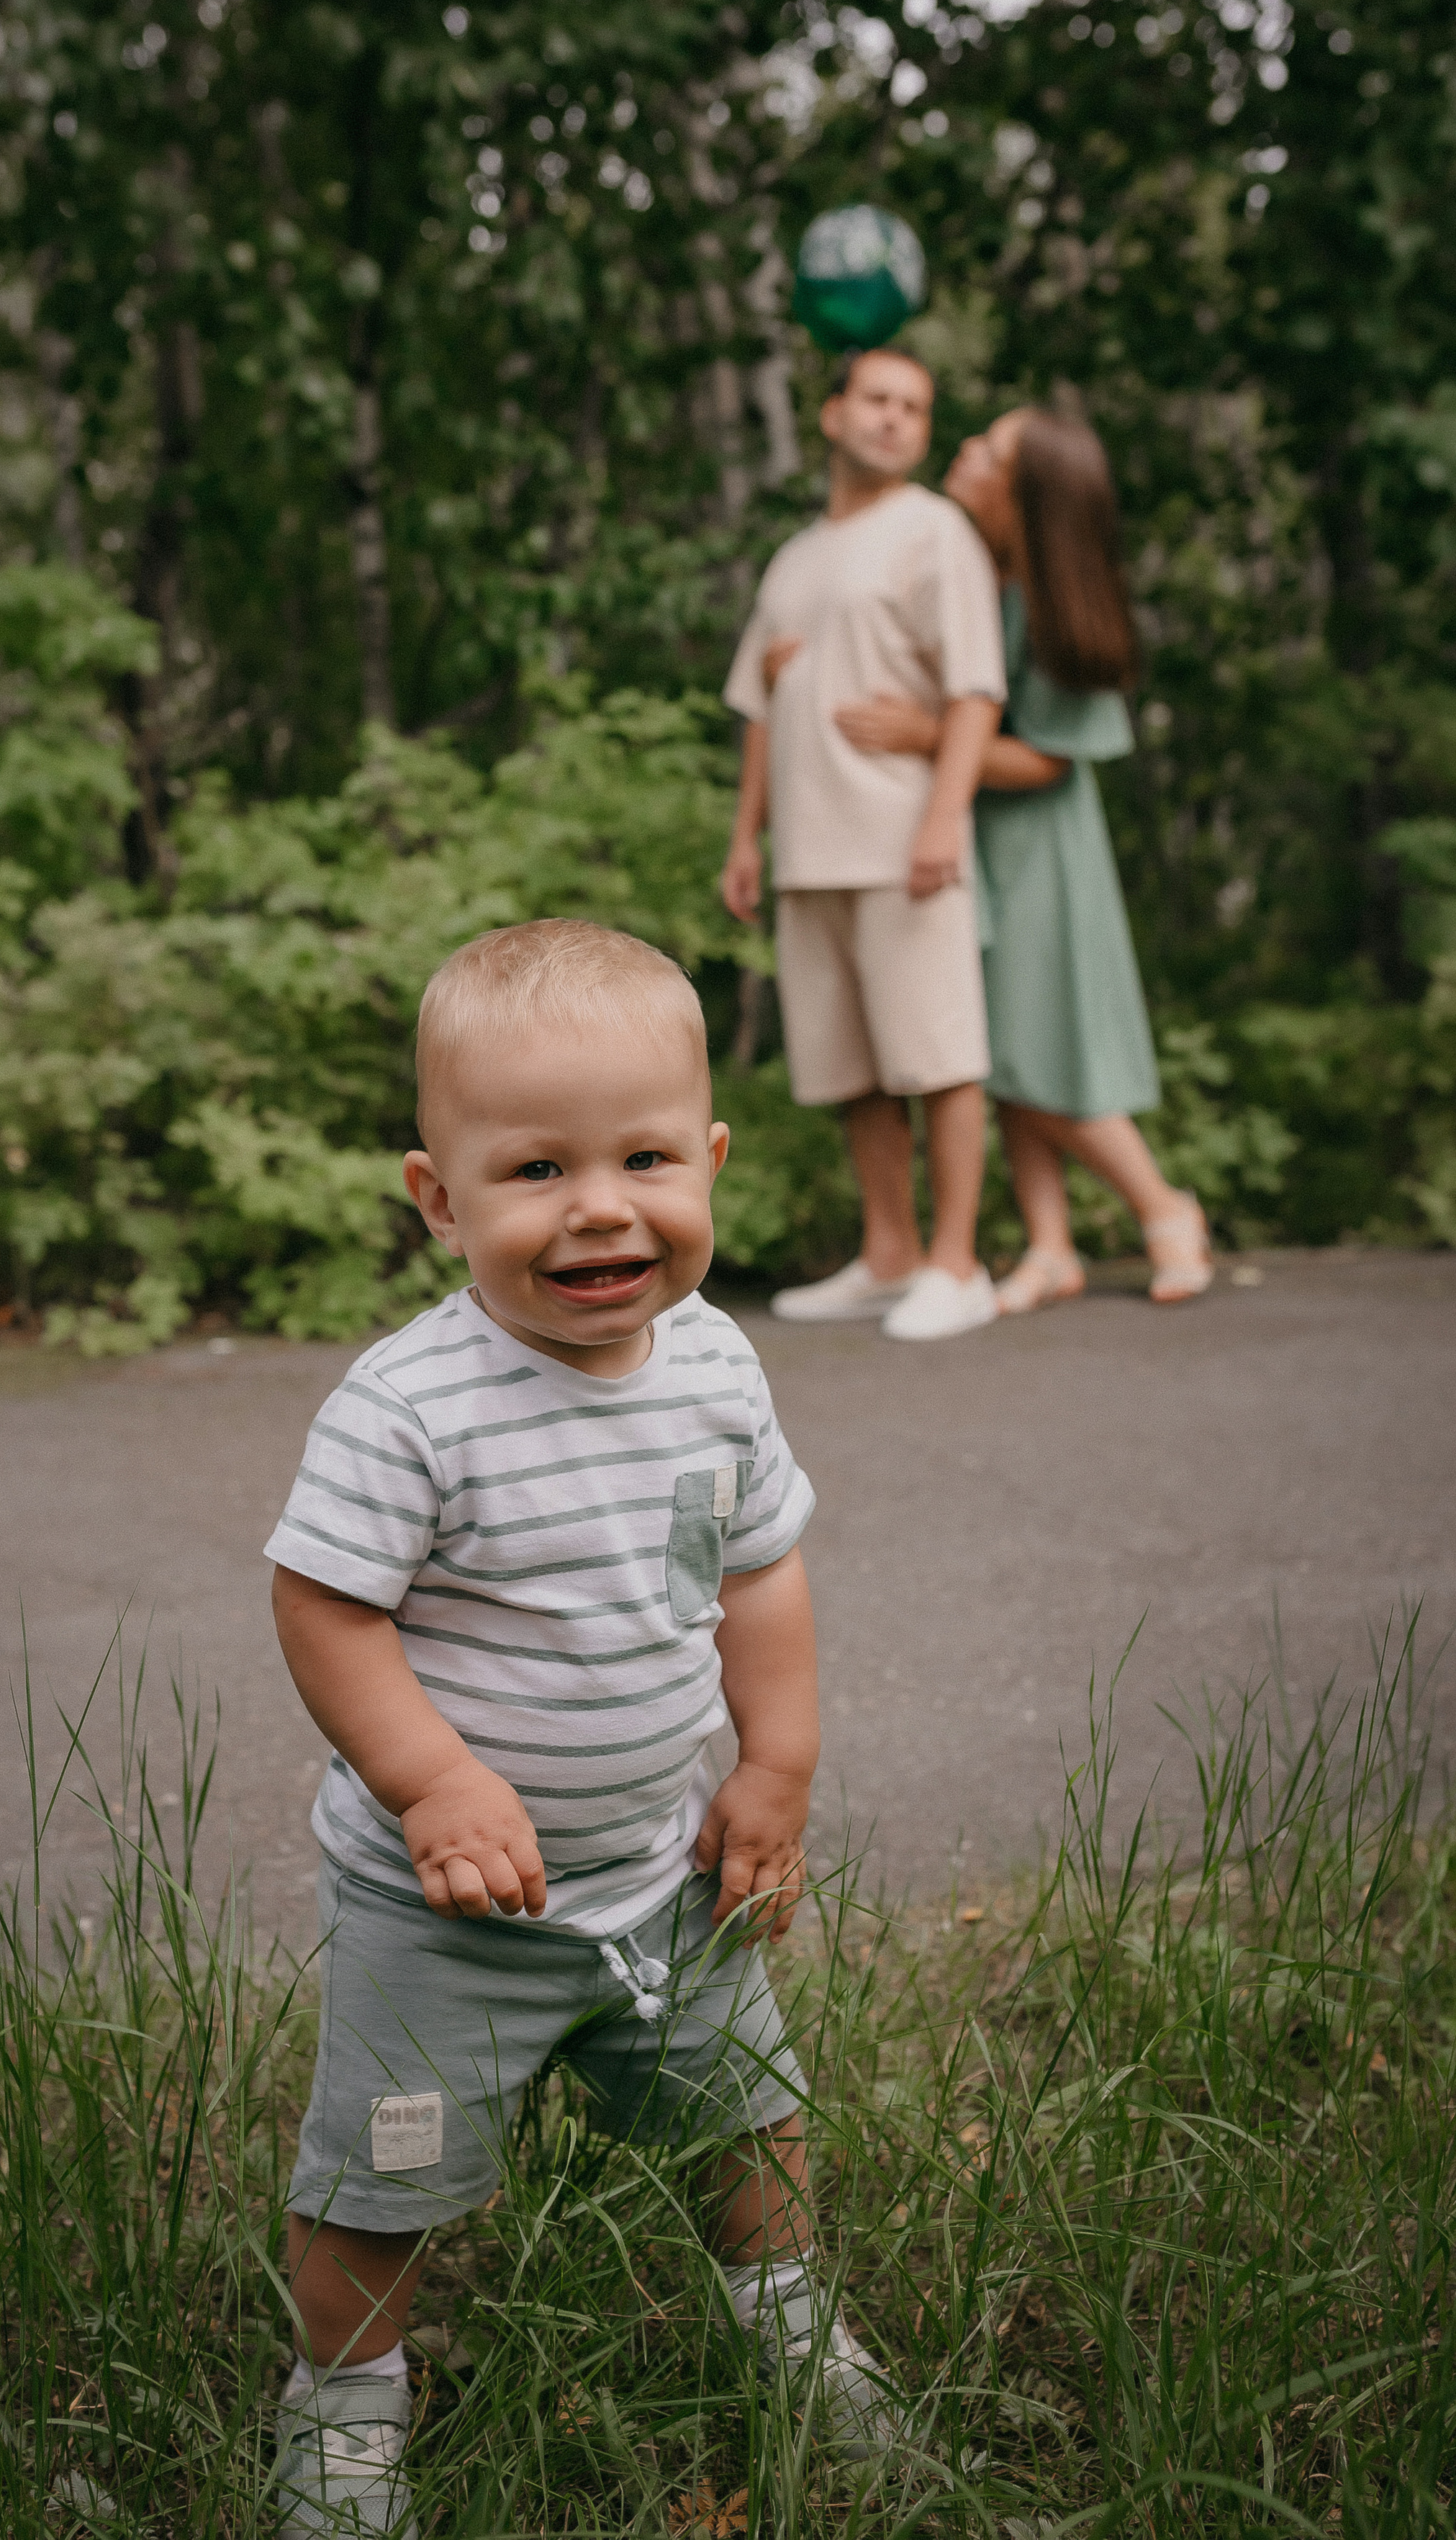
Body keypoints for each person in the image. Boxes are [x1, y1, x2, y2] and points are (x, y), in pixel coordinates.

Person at [265, 919, 890, 2538]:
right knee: (374, 2185)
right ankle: (343, 2412)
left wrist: (774, 1767)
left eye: (644, 1157)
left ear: (713, 1161)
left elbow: (756, 1571)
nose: (600, 1205)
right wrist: (431, 1780)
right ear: (437, 1198)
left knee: (752, 2119)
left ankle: (790, 2335)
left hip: (659, 1873)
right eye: (534, 1168)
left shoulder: (714, 1368)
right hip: (446, 1909)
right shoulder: (411, 1408)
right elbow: (324, 1607)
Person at [832, 407, 1213, 1310]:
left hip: (1037, 842)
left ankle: (1164, 1207)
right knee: (991, 1041)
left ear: (1024, 491)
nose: (963, 450)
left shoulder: (1051, 603)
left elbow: (1047, 755)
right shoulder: (971, 575)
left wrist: (926, 737)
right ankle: (1050, 1245)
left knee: (1022, 1047)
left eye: (989, 450)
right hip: (965, 832)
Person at [719, 346, 1008, 1344]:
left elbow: (974, 689)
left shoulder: (936, 532)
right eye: (878, 400)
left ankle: (956, 1263)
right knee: (853, 1071)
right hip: (809, 850)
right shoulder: (794, 558)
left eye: (915, 408)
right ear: (834, 414)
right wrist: (745, 837)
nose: (895, 419)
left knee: (939, 1056)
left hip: (901, 841)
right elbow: (760, 700)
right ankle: (888, 1256)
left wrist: (943, 816)